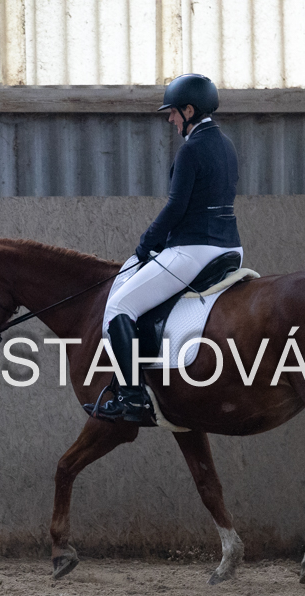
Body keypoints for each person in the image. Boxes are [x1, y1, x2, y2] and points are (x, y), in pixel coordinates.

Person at [88, 73, 244, 422]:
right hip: (230, 249)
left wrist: (146, 244)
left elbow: (176, 207)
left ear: (189, 110)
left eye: (173, 112)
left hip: (193, 250)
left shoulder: (191, 149)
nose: (170, 118)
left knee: (119, 307)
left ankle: (132, 397)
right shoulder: (226, 146)